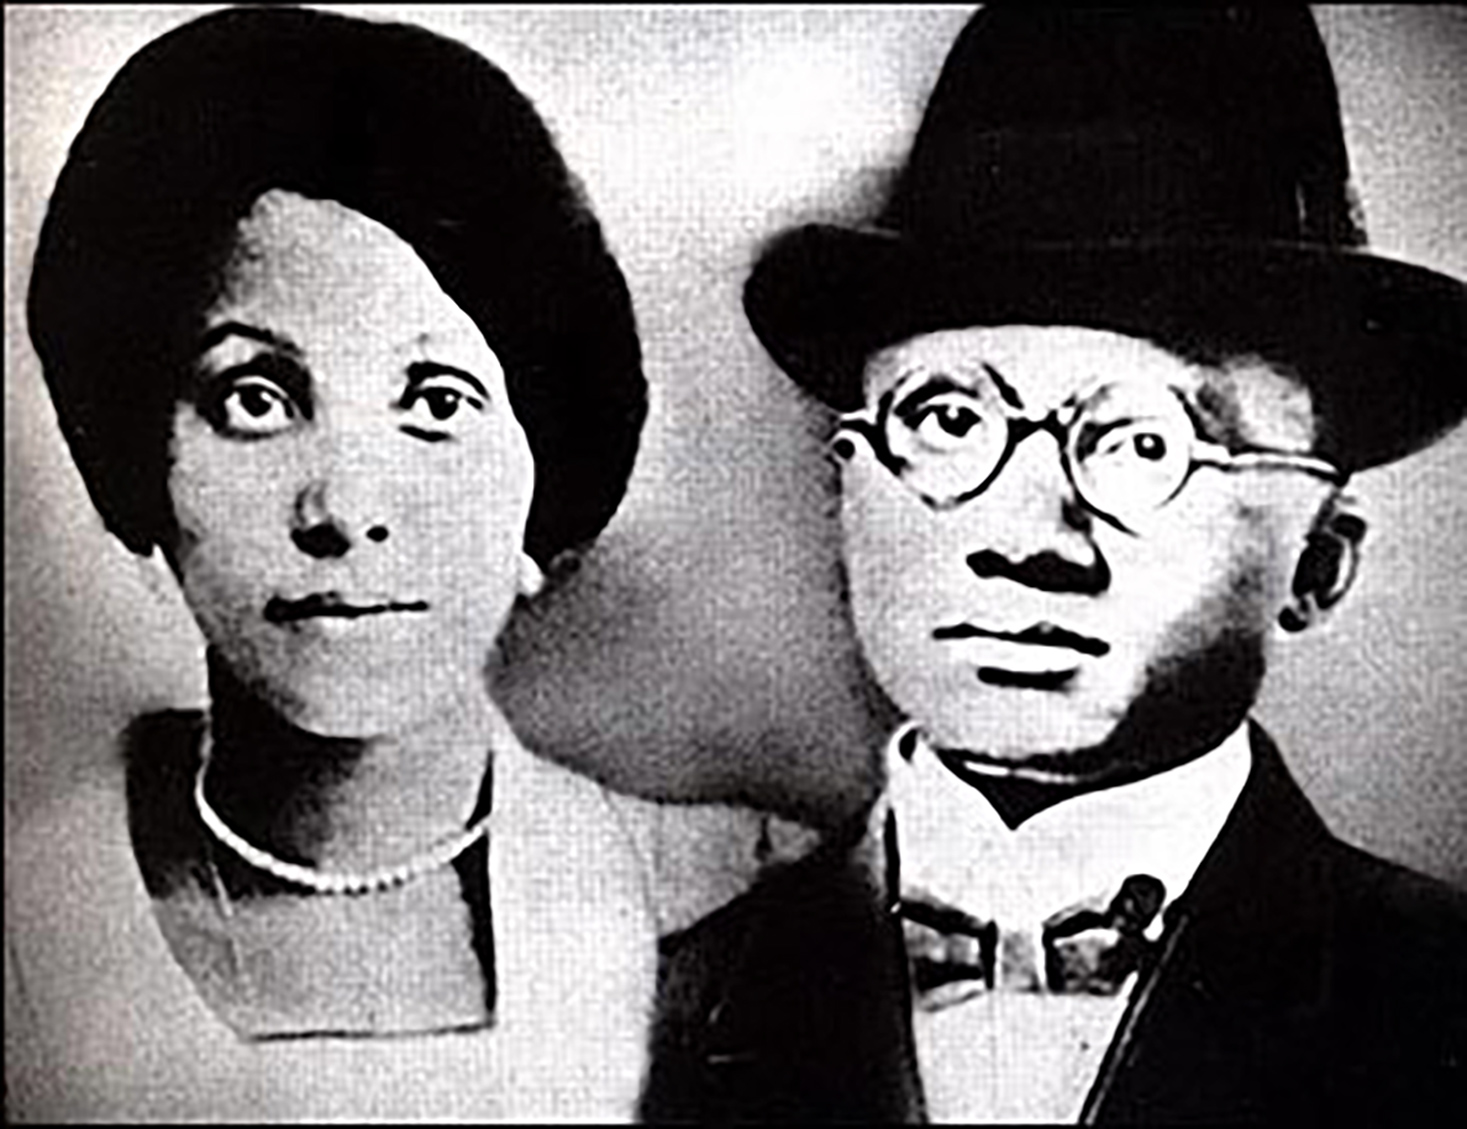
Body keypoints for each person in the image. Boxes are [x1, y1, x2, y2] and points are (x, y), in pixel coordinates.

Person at [641, 7, 1467, 1123]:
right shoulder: (650, 1010)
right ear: (847, 493)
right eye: (946, 421)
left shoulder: (1438, 1006)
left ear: (1316, 562)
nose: (1025, 539)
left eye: (1141, 446)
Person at [6, 7, 655, 1120]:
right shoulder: (30, 922)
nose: (345, 512)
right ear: (140, 462)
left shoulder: (731, 908)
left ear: (544, 474)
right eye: (255, 398)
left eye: (435, 402)